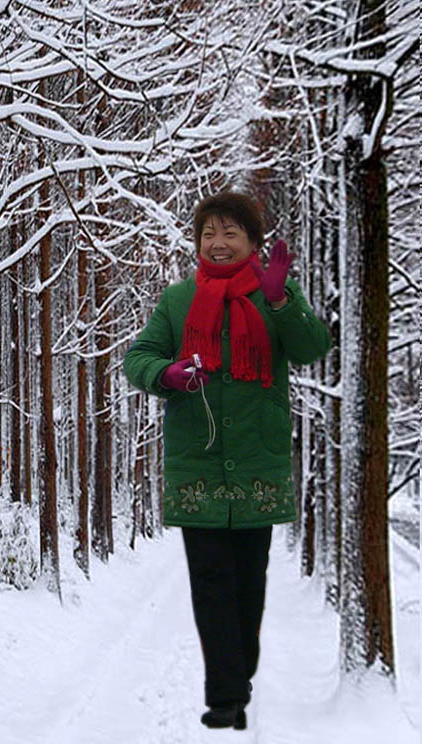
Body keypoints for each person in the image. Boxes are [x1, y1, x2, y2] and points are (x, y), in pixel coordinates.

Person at [123, 192, 332, 730]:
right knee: (211, 580)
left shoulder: (274, 296)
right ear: (197, 243)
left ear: (253, 244)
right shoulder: (177, 300)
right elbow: (138, 357)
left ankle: (240, 671)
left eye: (230, 233)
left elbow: (311, 347)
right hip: (199, 464)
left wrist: (283, 300)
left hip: (257, 464)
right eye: (208, 233)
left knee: (249, 583)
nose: (217, 243)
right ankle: (225, 696)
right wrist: (165, 375)